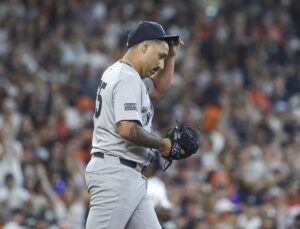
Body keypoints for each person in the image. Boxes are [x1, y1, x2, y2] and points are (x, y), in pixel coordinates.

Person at [85, 21, 183, 229]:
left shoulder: (128, 75)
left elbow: (159, 90)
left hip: (130, 175)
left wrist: (172, 54)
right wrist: (162, 144)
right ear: (145, 46)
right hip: (115, 173)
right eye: (161, 56)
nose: (161, 65)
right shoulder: (126, 77)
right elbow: (127, 128)